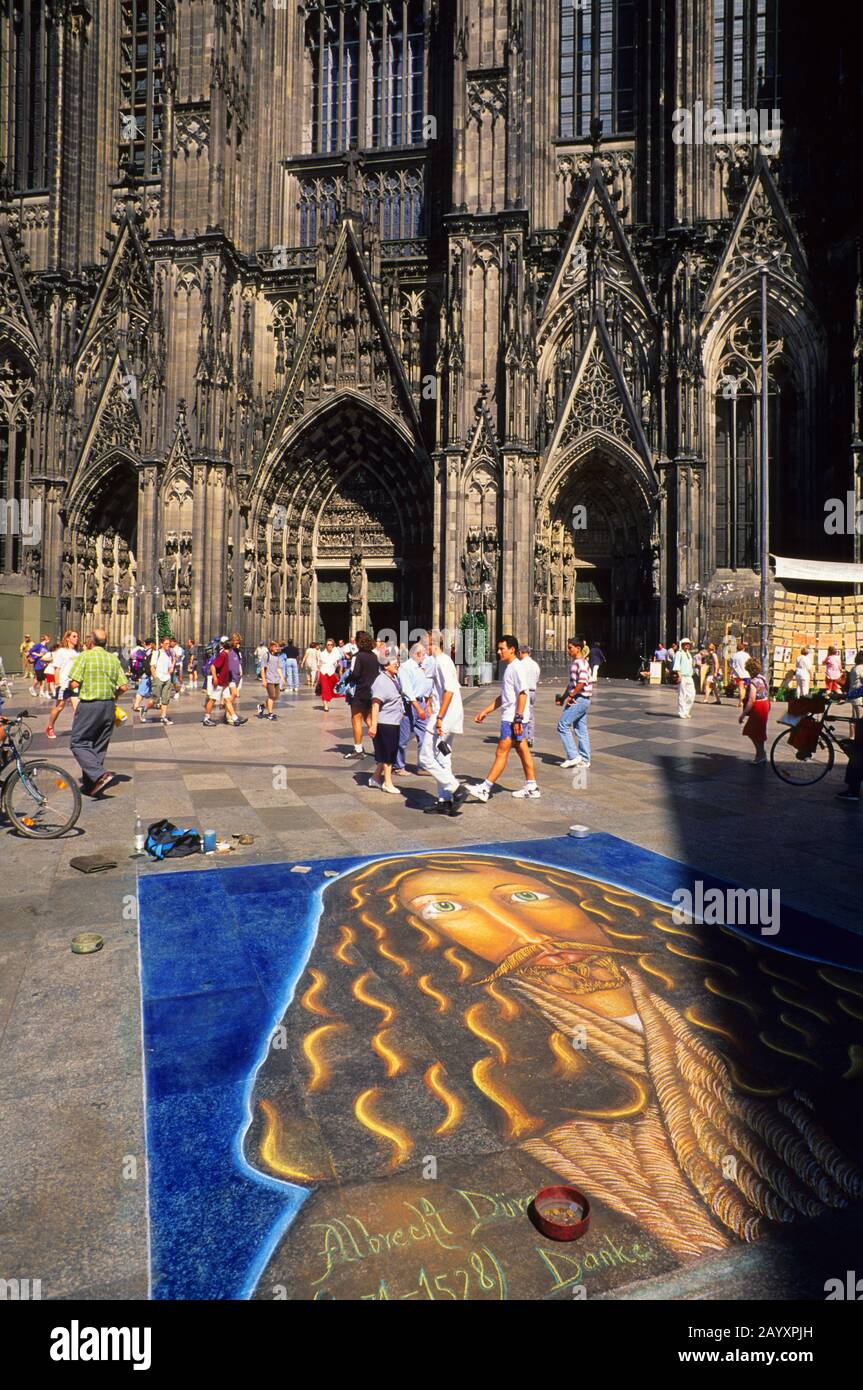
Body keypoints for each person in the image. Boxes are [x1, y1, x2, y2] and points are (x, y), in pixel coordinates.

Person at [468, 635, 540, 801]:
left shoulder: (516, 668)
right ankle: (532, 786)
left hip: (512, 718)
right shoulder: (511, 667)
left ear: (512, 649)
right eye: (498, 648)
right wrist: (485, 711)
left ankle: (485, 788)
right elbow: (505, 697)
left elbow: (522, 694)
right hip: (514, 716)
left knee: (501, 751)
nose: (499, 652)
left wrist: (518, 719)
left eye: (502, 649)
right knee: (523, 751)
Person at [67, 627, 127, 797]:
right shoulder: (112, 659)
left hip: (89, 705)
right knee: (98, 746)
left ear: (91, 642)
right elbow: (124, 686)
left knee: (78, 742)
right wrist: (113, 696)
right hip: (108, 706)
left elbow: (74, 683)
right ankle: (90, 785)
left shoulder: (85, 656)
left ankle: (100, 775)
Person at [420, 630, 469, 816]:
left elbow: (449, 691)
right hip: (449, 715)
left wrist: (439, 717)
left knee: (425, 757)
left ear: (431, 643)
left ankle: (456, 788)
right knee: (443, 757)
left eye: (424, 643)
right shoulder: (442, 661)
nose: (423, 647)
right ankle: (444, 799)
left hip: (445, 717)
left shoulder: (442, 662)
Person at [368, 648, 405, 794]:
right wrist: (373, 726)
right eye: (394, 661)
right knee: (389, 754)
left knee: (386, 752)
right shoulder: (381, 681)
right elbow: (375, 705)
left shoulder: (393, 678)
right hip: (385, 723)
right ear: (385, 665)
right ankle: (388, 783)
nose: (397, 663)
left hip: (393, 721)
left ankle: (375, 778)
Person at [394, 640, 433, 774]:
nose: (425, 657)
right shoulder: (406, 667)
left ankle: (423, 765)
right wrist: (418, 708)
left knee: (425, 736)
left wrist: (427, 704)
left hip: (421, 703)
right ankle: (398, 766)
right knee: (403, 739)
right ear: (417, 654)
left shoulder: (421, 666)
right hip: (410, 705)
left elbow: (426, 685)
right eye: (423, 654)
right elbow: (407, 690)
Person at [344, 631, 381, 760]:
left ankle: (358, 749)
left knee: (356, 719)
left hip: (360, 692)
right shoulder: (374, 656)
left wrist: (347, 678)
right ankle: (380, 747)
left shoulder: (357, 657)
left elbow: (356, 674)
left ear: (359, 642)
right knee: (369, 719)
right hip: (372, 691)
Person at [556, 636, 592, 769]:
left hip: (580, 699)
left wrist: (571, 696)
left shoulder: (580, 663)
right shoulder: (577, 662)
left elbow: (582, 682)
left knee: (562, 725)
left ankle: (573, 756)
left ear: (578, 648)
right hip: (582, 699)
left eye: (570, 648)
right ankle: (585, 759)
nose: (567, 650)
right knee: (580, 729)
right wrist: (564, 697)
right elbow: (572, 684)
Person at [45, 630, 81, 738]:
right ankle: (50, 726)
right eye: (74, 636)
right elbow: (57, 668)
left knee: (78, 708)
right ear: (67, 638)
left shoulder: (76, 653)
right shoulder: (61, 651)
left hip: (74, 684)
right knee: (60, 707)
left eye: (77, 636)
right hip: (63, 683)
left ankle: (77, 730)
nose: (76, 638)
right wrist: (57, 683)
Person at [203, 636, 246, 726]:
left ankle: (235, 718)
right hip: (219, 682)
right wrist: (215, 678)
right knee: (212, 700)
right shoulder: (223, 655)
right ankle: (206, 718)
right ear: (230, 648)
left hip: (224, 683)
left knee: (227, 700)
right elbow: (213, 666)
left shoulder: (226, 655)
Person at [739, 657, 770, 765]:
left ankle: (761, 754)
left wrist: (743, 714)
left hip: (758, 707)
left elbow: (752, 699)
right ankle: (760, 754)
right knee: (758, 731)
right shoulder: (762, 678)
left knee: (751, 731)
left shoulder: (753, 682)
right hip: (765, 704)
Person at [518, 644, 541, 747]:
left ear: (520, 653)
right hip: (533, 691)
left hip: (524, 692)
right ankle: (530, 738)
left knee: (521, 714)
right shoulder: (535, 664)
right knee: (530, 715)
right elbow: (537, 678)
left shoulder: (520, 664)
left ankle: (522, 738)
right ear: (529, 653)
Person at [152, 635, 176, 725]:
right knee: (155, 699)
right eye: (166, 643)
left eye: (168, 643)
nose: (168, 645)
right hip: (158, 678)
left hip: (167, 678)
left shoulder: (168, 653)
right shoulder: (156, 653)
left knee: (165, 699)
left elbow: (171, 664)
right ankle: (145, 709)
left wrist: (172, 667)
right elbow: (152, 667)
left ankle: (163, 716)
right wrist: (156, 678)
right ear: (161, 644)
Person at [257, 642, 283, 720]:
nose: (277, 648)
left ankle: (262, 706)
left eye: (277, 647)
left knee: (275, 697)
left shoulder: (277, 657)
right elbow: (262, 668)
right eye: (275, 647)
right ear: (271, 647)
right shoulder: (266, 656)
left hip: (276, 679)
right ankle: (270, 714)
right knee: (271, 696)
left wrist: (282, 677)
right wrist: (264, 680)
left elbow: (278, 668)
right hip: (269, 679)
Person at [133, 638, 156, 721]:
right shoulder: (151, 652)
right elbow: (149, 665)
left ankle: (137, 705)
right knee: (143, 692)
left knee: (144, 691)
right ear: (151, 644)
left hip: (143, 674)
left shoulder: (141, 652)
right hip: (147, 675)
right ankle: (137, 706)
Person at [673, 637, 696, 720]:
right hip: (682, 676)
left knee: (692, 694)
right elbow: (677, 665)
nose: (687, 646)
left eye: (688, 644)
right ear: (682, 645)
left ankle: (686, 711)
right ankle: (682, 712)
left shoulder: (689, 653)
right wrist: (679, 676)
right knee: (682, 695)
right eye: (685, 644)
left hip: (689, 676)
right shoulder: (679, 653)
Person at [317, 638, 341, 712]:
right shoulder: (322, 653)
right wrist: (318, 677)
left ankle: (327, 701)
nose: (329, 646)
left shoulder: (336, 653)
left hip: (331, 673)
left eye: (331, 645)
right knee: (325, 688)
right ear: (326, 646)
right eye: (328, 645)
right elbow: (319, 665)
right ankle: (325, 705)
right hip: (323, 673)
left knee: (331, 689)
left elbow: (338, 661)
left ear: (333, 645)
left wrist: (336, 664)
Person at [228, 633, 245, 713]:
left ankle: (227, 714)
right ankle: (231, 715)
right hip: (230, 677)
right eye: (237, 642)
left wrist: (240, 671)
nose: (238, 644)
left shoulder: (237, 652)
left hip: (236, 677)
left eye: (239, 642)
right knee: (234, 694)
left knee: (232, 696)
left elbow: (238, 663)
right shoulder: (229, 651)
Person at [730, 642, 750, 707]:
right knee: (745, 688)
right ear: (743, 648)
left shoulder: (734, 655)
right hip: (747, 673)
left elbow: (731, 665)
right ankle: (744, 701)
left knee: (741, 688)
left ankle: (741, 702)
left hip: (738, 674)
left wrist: (732, 673)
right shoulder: (747, 655)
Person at [848, 650, 863, 723]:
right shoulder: (861, 668)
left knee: (854, 717)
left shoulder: (854, 668)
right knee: (859, 718)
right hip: (859, 695)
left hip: (853, 693)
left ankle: (852, 734)